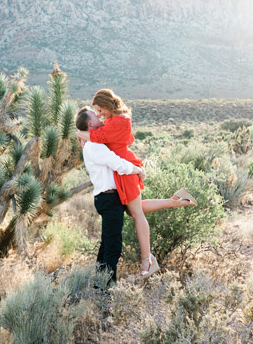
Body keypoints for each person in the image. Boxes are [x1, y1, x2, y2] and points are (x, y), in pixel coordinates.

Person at [79, 91, 195, 278]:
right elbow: (97, 135)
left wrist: (79, 132)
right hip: (123, 170)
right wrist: (85, 133)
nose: (99, 114)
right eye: (96, 112)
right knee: (133, 210)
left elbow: (98, 136)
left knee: (136, 213)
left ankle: (147, 260)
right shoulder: (114, 120)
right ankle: (176, 200)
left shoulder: (118, 121)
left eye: (100, 110)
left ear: (107, 104)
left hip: (126, 169)